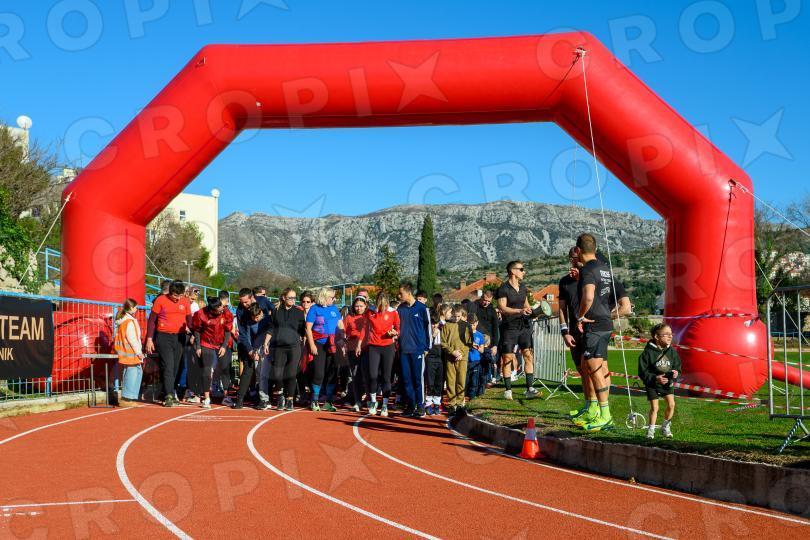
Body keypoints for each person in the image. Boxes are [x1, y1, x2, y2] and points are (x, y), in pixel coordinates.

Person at [575, 233, 619, 431]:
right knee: (593, 367)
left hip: (594, 324)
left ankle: (605, 416)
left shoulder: (587, 270)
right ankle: (596, 411)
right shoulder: (605, 268)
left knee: (594, 370)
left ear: (578, 250)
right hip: (605, 321)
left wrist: (580, 316)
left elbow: (589, 297)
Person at [495, 261, 539, 400]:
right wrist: (519, 311)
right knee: (507, 358)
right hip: (509, 327)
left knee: (528, 355)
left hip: (524, 326)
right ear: (513, 271)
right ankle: (508, 390)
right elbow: (502, 308)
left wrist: (532, 311)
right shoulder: (503, 289)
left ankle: (530, 389)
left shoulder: (523, 287)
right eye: (521, 269)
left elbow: (526, 305)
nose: (523, 272)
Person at [145, 280, 192, 407]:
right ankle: (168, 396)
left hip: (179, 337)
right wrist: (149, 338)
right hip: (164, 337)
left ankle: (169, 391)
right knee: (168, 366)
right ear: (170, 292)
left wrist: (193, 333)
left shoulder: (185, 302)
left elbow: (189, 320)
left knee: (176, 367)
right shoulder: (160, 300)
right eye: (176, 295)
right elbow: (152, 320)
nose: (178, 298)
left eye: (180, 295)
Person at [639, 323, 681, 439]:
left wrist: (676, 373)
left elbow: (677, 366)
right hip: (652, 384)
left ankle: (665, 427)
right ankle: (651, 430)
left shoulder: (672, 351)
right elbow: (642, 372)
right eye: (666, 334)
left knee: (671, 404)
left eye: (671, 334)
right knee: (655, 407)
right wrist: (655, 378)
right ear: (657, 336)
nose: (670, 336)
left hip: (667, 383)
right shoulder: (647, 353)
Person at [305, 287, 344, 412]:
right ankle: (314, 400)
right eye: (332, 297)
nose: (334, 299)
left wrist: (343, 339)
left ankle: (329, 401)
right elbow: (308, 328)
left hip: (333, 345)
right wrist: (312, 345)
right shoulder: (314, 309)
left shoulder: (334, 309)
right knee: (319, 373)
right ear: (325, 297)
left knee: (332, 373)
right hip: (319, 344)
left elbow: (340, 324)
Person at [396, 282, 432, 418]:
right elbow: (397, 326)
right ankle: (410, 406)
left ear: (408, 293)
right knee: (406, 380)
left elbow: (428, 328)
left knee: (418, 379)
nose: (399, 296)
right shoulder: (400, 309)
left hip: (418, 350)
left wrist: (427, 347)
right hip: (404, 350)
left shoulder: (422, 308)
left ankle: (420, 406)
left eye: (401, 293)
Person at [192, 297, 232, 409]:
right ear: (212, 310)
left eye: (221, 308)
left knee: (225, 368)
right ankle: (206, 398)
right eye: (218, 310)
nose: (221, 310)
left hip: (221, 343)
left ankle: (226, 396)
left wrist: (224, 346)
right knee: (206, 369)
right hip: (206, 343)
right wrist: (198, 346)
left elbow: (228, 330)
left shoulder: (226, 313)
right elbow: (197, 330)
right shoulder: (201, 314)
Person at [269, 288, 305, 411]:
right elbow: (271, 328)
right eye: (290, 297)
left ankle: (290, 399)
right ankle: (280, 396)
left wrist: (303, 343)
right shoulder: (275, 311)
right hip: (279, 347)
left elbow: (303, 330)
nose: (293, 300)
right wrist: (266, 343)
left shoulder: (299, 312)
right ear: (284, 297)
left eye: (294, 298)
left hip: (294, 347)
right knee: (278, 374)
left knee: (291, 374)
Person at [365, 292, 399, 416]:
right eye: (380, 305)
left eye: (385, 305)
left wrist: (394, 333)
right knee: (373, 375)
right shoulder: (370, 312)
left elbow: (398, 329)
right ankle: (373, 402)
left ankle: (384, 405)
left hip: (388, 347)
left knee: (386, 377)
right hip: (373, 347)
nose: (382, 308)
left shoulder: (393, 312)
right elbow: (364, 326)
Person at [234, 303, 272, 408]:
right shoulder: (250, 323)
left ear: (261, 312)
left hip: (267, 348)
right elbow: (248, 338)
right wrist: (251, 351)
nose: (256, 319)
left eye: (257, 317)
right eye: (253, 317)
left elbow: (271, 333)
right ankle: (261, 398)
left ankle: (266, 399)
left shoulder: (268, 319)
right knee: (257, 374)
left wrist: (266, 347)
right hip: (256, 349)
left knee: (264, 374)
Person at [441, 304, 472, 415]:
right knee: (451, 381)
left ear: (462, 315)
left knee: (461, 380)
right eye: (455, 316)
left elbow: (469, 343)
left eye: (459, 316)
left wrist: (461, 353)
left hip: (462, 358)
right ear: (452, 314)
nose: (457, 318)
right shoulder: (447, 325)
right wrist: (452, 352)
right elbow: (443, 342)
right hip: (450, 357)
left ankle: (459, 403)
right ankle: (451, 404)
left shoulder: (466, 326)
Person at [114, 299, 144, 406]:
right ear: (131, 308)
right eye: (135, 307)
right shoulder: (129, 321)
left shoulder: (125, 320)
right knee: (132, 373)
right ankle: (126, 398)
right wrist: (138, 352)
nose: (137, 309)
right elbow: (132, 339)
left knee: (135, 372)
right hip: (131, 352)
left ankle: (129, 397)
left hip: (128, 351)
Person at [343, 296, 370, 412]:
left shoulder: (369, 316)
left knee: (367, 375)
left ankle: (369, 399)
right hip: (352, 349)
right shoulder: (349, 317)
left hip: (367, 349)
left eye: (361, 306)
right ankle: (357, 401)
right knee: (355, 375)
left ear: (365, 306)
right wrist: (343, 343)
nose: (359, 308)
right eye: (356, 306)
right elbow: (342, 331)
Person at [213, 290, 235, 405]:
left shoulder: (224, 312)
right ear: (226, 300)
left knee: (219, 368)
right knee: (223, 368)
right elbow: (231, 330)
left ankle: (217, 389)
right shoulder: (226, 312)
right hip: (220, 344)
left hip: (217, 343)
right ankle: (223, 393)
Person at [473, 290, 500, 385]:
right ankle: (476, 381)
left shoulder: (492, 310)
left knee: (487, 361)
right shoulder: (475, 307)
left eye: (489, 301)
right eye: (485, 300)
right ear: (481, 297)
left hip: (488, 341)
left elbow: (495, 328)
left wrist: (495, 345)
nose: (486, 303)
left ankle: (487, 380)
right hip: (476, 338)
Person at [424, 302, 446, 415]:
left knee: (439, 382)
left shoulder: (442, 328)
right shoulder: (427, 332)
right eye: (432, 324)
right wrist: (432, 335)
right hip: (430, 358)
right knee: (430, 381)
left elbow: (444, 321)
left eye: (436, 323)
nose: (434, 326)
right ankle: (428, 403)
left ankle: (437, 404)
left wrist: (439, 326)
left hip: (440, 358)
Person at [465, 314, 486, 401]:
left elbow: (482, 350)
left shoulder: (479, 335)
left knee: (474, 380)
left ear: (477, 323)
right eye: (470, 324)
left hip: (476, 360)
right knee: (466, 380)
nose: (472, 326)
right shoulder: (465, 334)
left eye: (474, 324)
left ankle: (472, 396)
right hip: (466, 360)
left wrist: (477, 347)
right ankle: (464, 396)